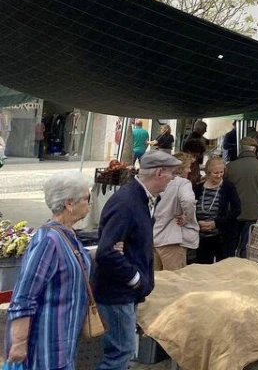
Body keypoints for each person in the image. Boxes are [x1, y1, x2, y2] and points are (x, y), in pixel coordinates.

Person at [94, 150, 180, 370]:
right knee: (120, 353)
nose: (173, 178)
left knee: (122, 352)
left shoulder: (141, 199)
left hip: (123, 293)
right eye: (172, 173)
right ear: (159, 172)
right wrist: (136, 279)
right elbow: (107, 252)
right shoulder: (127, 202)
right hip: (117, 294)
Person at [4, 172, 93, 370]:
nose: (90, 203)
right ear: (69, 203)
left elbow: (73, 263)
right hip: (45, 349)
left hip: (64, 343)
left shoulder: (68, 234)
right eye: (87, 198)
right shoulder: (48, 241)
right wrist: (18, 344)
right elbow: (23, 297)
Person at [225, 136, 258, 257]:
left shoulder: (230, 167)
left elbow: (223, 191)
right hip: (252, 212)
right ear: (255, 150)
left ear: (240, 150)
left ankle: (228, 270)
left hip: (232, 213)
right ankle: (243, 270)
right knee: (246, 246)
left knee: (230, 245)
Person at [152, 152, 199, 271]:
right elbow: (188, 201)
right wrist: (188, 218)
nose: (189, 170)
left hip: (152, 238)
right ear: (181, 168)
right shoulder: (183, 183)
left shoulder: (157, 181)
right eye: (188, 167)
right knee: (175, 281)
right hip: (172, 240)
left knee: (154, 282)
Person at [194, 156, 241, 264]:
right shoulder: (198, 188)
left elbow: (236, 210)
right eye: (215, 173)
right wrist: (197, 223)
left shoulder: (228, 187)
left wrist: (216, 223)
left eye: (221, 172)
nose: (219, 175)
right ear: (208, 173)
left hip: (223, 236)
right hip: (201, 237)